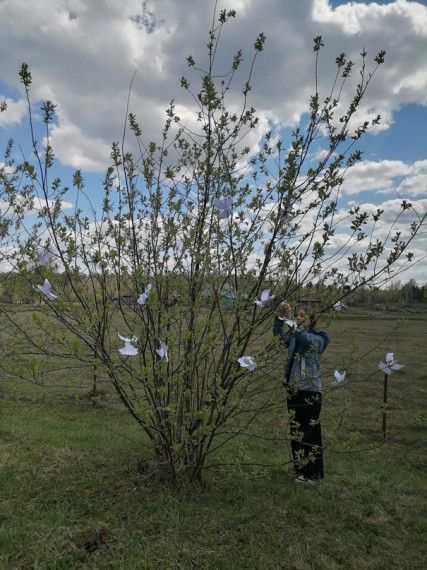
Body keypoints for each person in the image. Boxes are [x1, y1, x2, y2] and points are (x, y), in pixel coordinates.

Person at [273, 302, 330, 484]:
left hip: (310, 392)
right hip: (294, 390)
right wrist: (281, 318)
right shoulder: (295, 337)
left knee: (309, 433)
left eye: (301, 315)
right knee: (296, 431)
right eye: (296, 314)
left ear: (310, 320)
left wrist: (292, 322)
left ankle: (311, 474)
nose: (298, 317)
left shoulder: (320, 338)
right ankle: (299, 469)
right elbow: (278, 337)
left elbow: (306, 340)